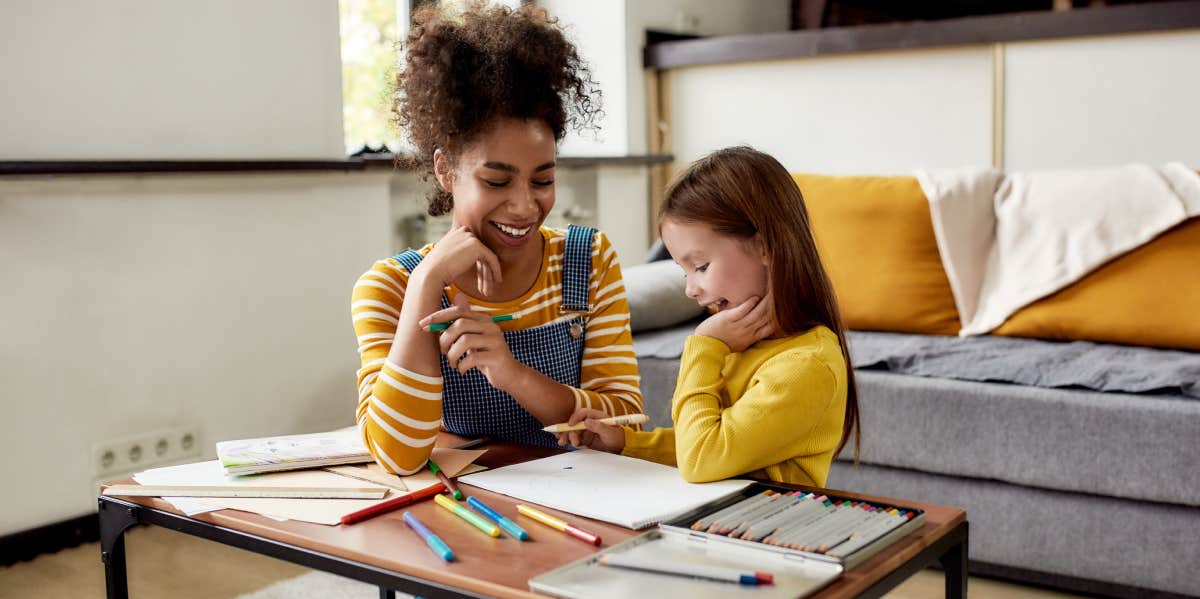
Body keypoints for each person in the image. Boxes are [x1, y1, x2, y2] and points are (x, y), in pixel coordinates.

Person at [351, 3, 642, 474]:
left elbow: (626, 423)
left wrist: (512, 374)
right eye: (497, 182)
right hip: (464, 515)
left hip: (581, 507)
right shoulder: (388, 288)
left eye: (543, 180)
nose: (526, 206)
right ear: (446, 170)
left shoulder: (587, 261)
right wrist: (425, 284)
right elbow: (396, 456)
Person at [556, 146, 860, 487]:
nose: (690, 290)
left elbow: (701, 458)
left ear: (764, 247)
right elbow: (713, 440)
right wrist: (628, 443)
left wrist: (704, 346)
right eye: (684, 272)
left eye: (700, 266)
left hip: (764, 532)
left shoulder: (806, 366)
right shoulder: (742, 344)